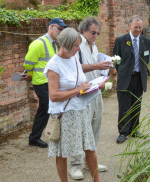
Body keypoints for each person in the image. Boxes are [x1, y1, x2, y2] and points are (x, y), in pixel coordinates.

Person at [44, 27, 101, 182]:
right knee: (62, 153)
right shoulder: (53, 65)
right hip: (64, 115)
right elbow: (54, 96)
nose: (78, 49)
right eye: (76, 46)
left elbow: (80, 82)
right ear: (66, 45)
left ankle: (97, 180)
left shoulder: (74, 58)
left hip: (80, 110)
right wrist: (78, 90)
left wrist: (92, 85)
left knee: (89, 147)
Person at [68, 17, 111, 180]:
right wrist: (97, 66)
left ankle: (89, 161)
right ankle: (75, 165)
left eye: (98, 33)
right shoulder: (77, 45)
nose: (95, 36)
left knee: (95, 127)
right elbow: (74, 67)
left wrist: (104, 73)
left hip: (96, 92)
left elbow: (95, 68)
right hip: (81, 94)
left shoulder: (94, 46)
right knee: (80, 129)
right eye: (93, 32)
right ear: (83, 30)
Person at [23, 18, 67, 148]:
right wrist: (30, 74)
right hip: (41, 82)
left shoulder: (52, 43)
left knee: (45, 108)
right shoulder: (39, 43)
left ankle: (35, 137)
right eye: (59, 28)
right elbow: (28, 63)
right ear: (52, 27)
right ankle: (35, 137)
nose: (61, 31)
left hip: (49, 81)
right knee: (47, 107)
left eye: (62, 29)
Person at [113, 15, 150, 144]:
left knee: (136, 105)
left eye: (140, 27)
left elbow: (146, 59)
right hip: (125, 78)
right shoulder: (120, 40)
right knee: (124, 106)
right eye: (136, 27)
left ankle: (134, 130)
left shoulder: (146, 41)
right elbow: (116, 60)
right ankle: (123, 132)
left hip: (139, 78)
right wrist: (124, 72)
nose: (138, 29)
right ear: (129, 26)